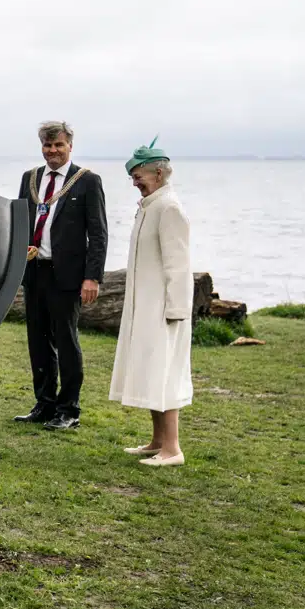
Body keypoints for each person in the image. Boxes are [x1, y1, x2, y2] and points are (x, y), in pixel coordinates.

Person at [13, 121, 108, 431]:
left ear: (70, 146)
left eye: (58, 145)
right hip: (35, 271)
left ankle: (69, 408)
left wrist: (92, 277)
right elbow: (19, 223)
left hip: (67, 275)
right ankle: (45, 403)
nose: (52, 151)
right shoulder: (30, 179)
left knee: (66, 342)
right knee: (37, 342)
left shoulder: (87, 181)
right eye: (47, 145)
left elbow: (98, 233)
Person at [110, 142, 193, 467]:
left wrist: (176, 309)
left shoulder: (169, 208)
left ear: (158, 172)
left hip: (164, 310)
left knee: (164, 373)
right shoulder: (149, 206)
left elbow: (178, 265)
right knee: (149, 370)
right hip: (145, 306)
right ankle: (157, 441)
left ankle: (172, 449)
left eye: (138, 175)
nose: (134, 181)